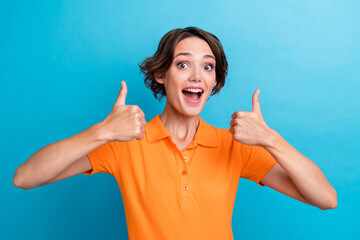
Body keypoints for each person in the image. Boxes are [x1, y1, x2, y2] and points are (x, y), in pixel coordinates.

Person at [13, 27, 337, 240]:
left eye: (207, 67)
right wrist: (102, 132)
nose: (197, 75)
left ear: (214, 83)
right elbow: (25, 177)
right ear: (160, 74)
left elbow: (326, 198)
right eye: (183, 64)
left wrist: (271, 140)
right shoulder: (125, 144)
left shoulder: (233, 147)